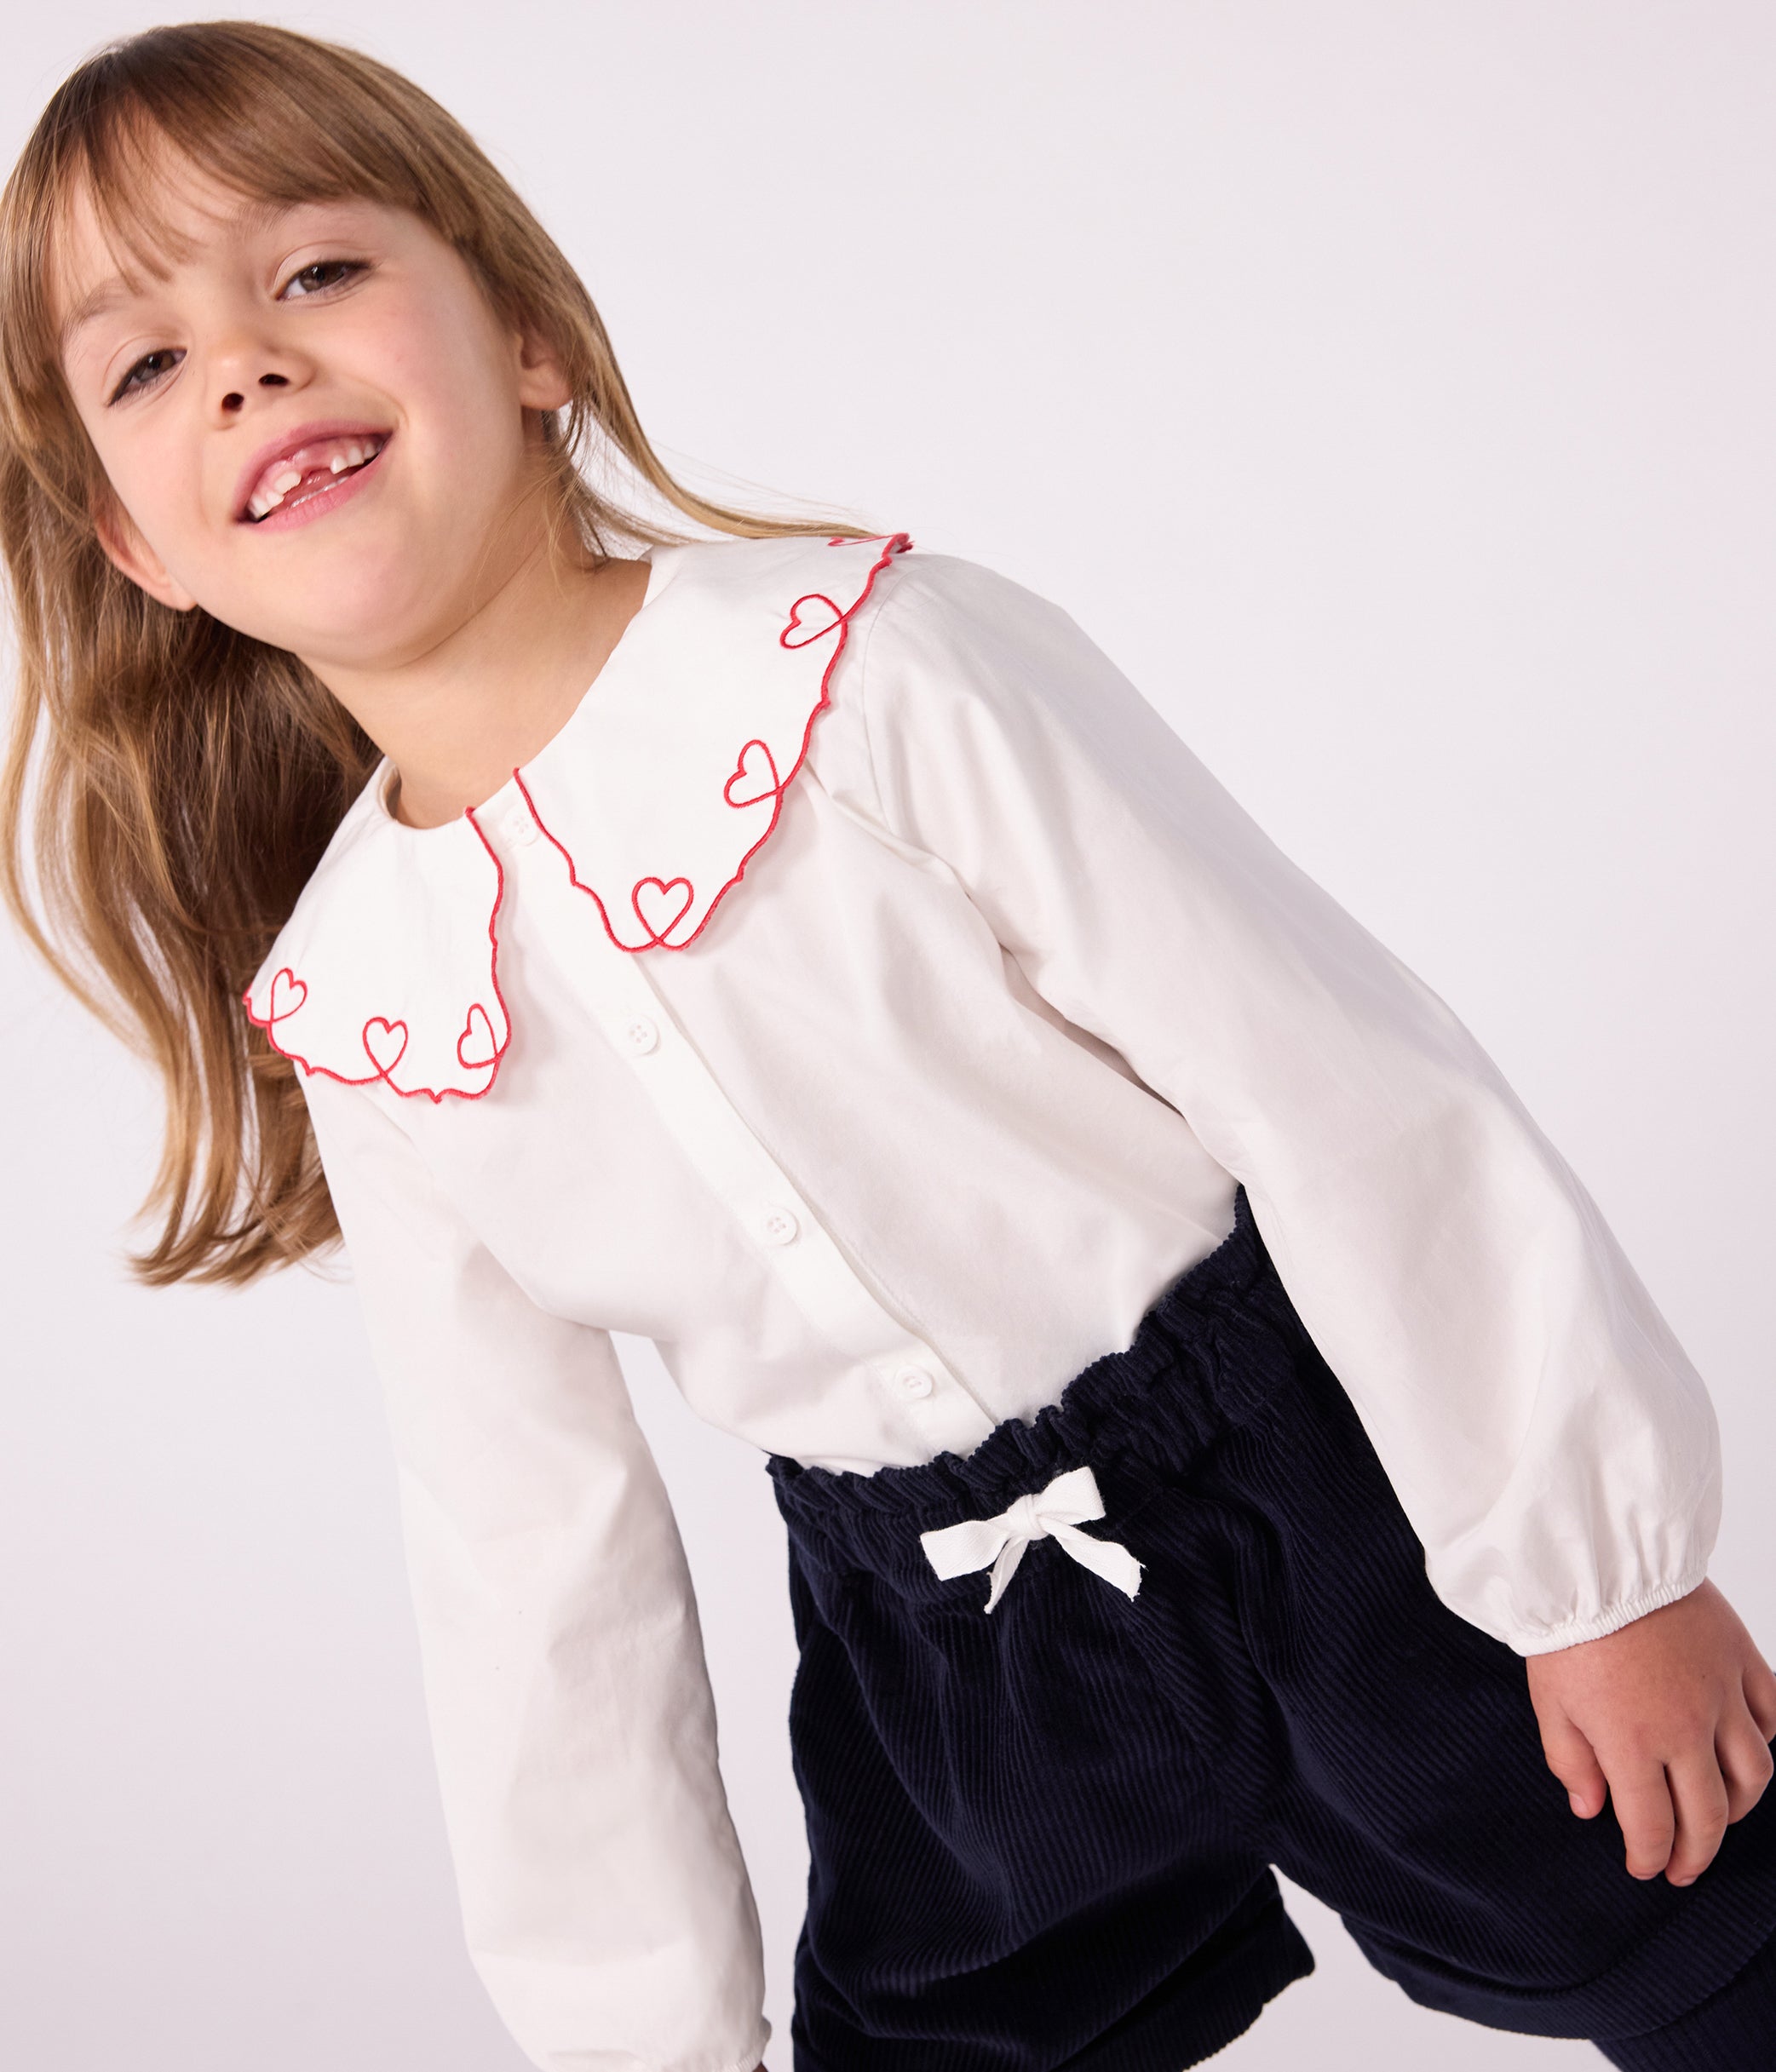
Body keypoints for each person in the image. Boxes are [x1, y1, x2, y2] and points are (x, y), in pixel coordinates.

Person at [2, 20, 1772, 2072]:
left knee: (1704, 1948)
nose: (245, 363)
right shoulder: (364, 1006)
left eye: (315, 271)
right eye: (148, 363)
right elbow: (527, 1552)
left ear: (528, 336)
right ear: (139, 549)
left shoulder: (871, 672)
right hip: (941, 1669)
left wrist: (1594, 1566)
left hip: (1328, 1492)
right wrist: (639, 2037)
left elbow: (1330, 1077)